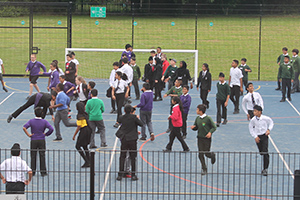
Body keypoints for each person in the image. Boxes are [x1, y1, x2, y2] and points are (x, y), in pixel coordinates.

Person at [23, 107, 53, 176]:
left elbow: (24, 127)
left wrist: (29, 135)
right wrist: (45, 134)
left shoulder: (31, 121)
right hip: (41, 140)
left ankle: (33, 171)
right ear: (42, 113)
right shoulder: (44, 121)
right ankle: (43, 172)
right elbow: (51, 129)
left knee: (33, 156)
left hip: (33, 140)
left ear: (34, 113)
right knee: (42, 155)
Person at [116, 105, 143, 181]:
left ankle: (120, 174)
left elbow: (119, 121)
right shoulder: (134, 117)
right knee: (133, 157)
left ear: (124, 111)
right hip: (132, 139)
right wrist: (137, 118)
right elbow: (141, 124)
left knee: (122, 156)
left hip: (124, 139)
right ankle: (133, 174)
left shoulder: (121, 117)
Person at [191, 104, 217, 176]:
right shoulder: (197, 118)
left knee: (206, 153)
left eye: (197, 109)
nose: (196, 111)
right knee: (200, 154)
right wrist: (194, 128)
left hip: (207, 139)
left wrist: (210, 132)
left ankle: (211, 155)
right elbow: (197, 127)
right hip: (200, 138)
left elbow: (214, 127)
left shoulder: (208, 118)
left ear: (201, 111)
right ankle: (204, 168)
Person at [248, 105, 274, 176]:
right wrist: (255, 136)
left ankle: (265, 168)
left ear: (260, 112)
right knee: (261, 152)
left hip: (264, 136)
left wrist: (269, 129)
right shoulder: (253, 120)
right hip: (258, 137)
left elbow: (271, 122)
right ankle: (262, 153)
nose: (254, 112)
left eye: (255, 111)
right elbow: (251, 128)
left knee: (265, 152)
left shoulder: (265, 118)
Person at [72, 102, 92, 168]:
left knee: (77, 146)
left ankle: (86, 161)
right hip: (88, 130)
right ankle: (89, 160)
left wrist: (74, 135)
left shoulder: (79, 116)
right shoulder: (85, 114)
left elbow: (79, 126)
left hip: (83, 131)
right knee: (85, 146)